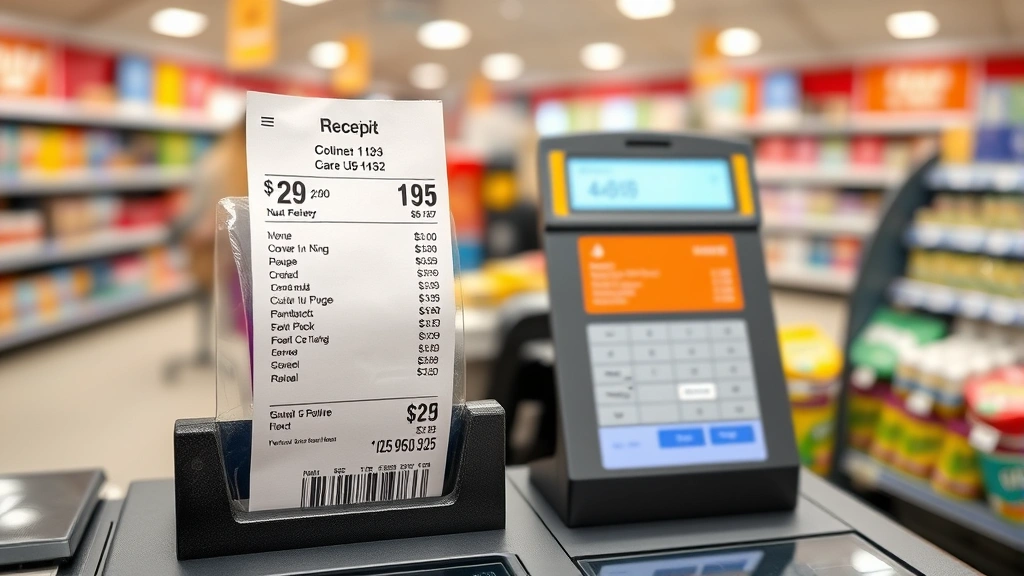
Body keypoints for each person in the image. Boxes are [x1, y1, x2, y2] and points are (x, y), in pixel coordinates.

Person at [166, 122, 247, 379]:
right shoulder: (223, 163)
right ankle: (207, 351)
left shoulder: (223, 159)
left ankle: (211, 349)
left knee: (224, 308)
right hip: (209, 245)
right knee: (219, 301)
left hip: (218, 244)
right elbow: (197, 213)